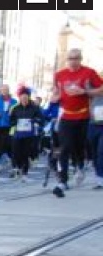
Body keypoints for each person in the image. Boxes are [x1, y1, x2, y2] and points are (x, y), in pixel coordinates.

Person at [51, 48, 103, 197]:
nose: (73, 61)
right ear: (67, 59)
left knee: (79, 146)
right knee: (64, 147)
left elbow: (101, 89)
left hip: (84, 116)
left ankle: (80, 165)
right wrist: (54, 97)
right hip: (66, 116)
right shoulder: (59, 75)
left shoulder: (89, 73)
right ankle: (63, 180)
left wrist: (85, 92)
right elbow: (56, 92)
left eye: (76, 58)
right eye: (71, 58)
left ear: (81, 59)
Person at [8, 86, 44, 182]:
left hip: (29, 135)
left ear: (28, 97)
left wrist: (33, 121)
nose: (24, 99)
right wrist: (16, 122)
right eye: (22, 97)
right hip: (17, 134)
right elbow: (11, 121)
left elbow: (41, 120)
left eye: (26, 97)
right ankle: (18, 169)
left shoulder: (34, 108)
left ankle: (24, 173)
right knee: (16, 153)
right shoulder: (15, 108)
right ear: (19, 98)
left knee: (25, 153)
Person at [0, 83, 16, 173]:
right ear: (0, 91)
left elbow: (16, 114)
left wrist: (11, 117)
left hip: (7, 126)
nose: (5, 91)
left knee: (3, 145)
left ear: (9, 91)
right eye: (3, 90)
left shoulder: (14, 102)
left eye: (6, 89)